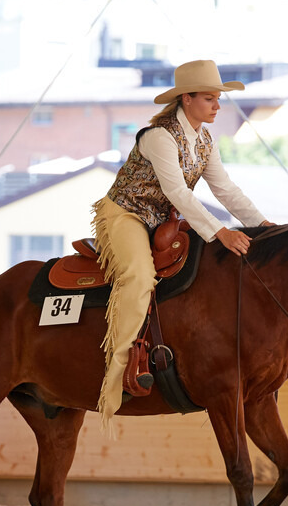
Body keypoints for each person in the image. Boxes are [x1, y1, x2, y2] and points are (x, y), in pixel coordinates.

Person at [91, 59, 274, 434]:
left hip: (163, 221)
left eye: (218, 98)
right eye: (209, 98)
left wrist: (263, 225)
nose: (217, 106)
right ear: (186, 99)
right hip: (126, 215)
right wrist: (220, 233)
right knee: (139, 277)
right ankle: (117, 375)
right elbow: (177, 191)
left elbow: (225, 189)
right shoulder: (159, 136)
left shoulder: (206, 141)